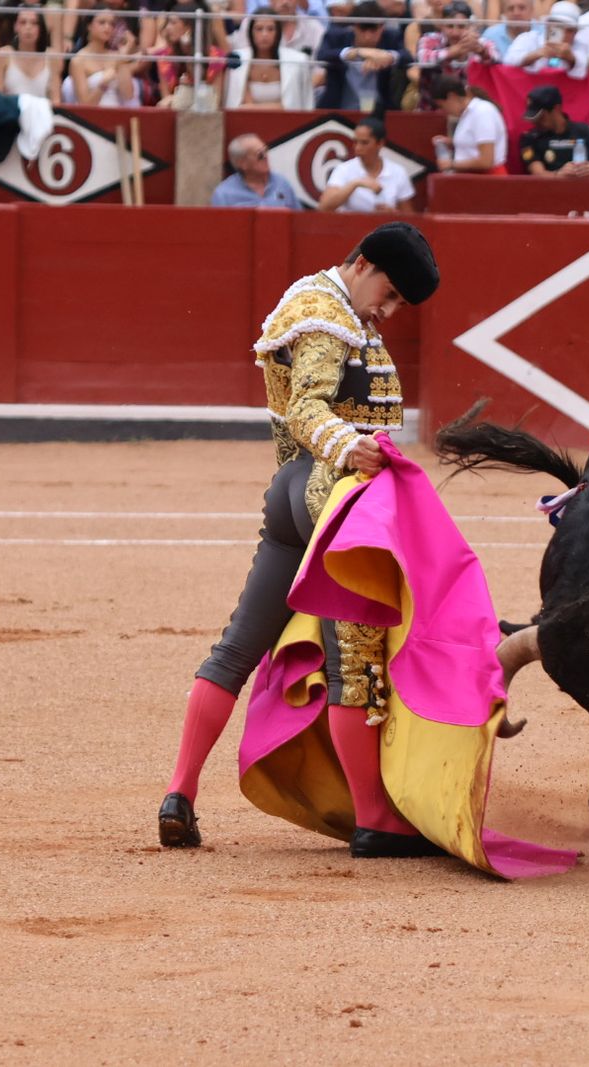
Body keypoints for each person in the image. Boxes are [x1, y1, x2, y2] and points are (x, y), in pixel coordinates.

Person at [157, 222, 441, 857]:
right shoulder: (324, 314)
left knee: (237, 648)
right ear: (362, 263)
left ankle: (179, 793)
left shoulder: (333, 309)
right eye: (388, 293)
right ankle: (374, 820)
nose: (387, 311)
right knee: (355, 659)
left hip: (292, 493)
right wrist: (350, 446)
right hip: (330, 499)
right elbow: (312, 408)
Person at [315, 0, 411, 110]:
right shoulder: (336, 37)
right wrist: (355, 52)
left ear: (382, 27)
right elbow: (322, 54)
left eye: (373, 30)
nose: (368, 36)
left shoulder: (391, 37)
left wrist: (388, 56)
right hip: (340, 108)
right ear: (353, 26)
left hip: (381, 112)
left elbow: (407, 56)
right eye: (362, 29)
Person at [411, 0, 497, 109]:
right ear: (442, 26)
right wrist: (453, 52)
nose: (455, 33)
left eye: (461, 27)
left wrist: (481, 51)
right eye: (450, 26)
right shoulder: (429, 38)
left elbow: (498, 59)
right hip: (433, 108)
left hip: (472, 110)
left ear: (470, 27)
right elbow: (422, 59)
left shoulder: (480, 43)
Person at [319, 116, 416, 211]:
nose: (357, 148)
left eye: (364, 143)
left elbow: (409, 217)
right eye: (355, 142)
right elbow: (324, 207)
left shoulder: (398, 172)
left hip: (385, 226)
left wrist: (392, 215)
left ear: (380, 144)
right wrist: (355, 184)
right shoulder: (343, 169)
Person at [225, 12, 314, 106]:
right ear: (251, 32)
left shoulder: (298, 61)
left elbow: (306, 104)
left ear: (278, 32)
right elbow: (234, 105)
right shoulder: (236, 59)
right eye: (259, 29)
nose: (264, 34)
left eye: (270, 29)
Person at [519, 83, 589, 175]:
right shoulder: (530, 138)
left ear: (556, 109)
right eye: (533, 118)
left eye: (541, 117)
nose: (536, 122)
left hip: (583, 187)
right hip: (550, 188)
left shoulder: (585, 132)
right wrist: (558, 174)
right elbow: (538, 174)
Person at [150, 3, 226, 107]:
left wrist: (189, 52)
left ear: (189, 27)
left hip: (205, 110)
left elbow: (215, 100)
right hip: (174, 110)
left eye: (173, 23)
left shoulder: (215, 57)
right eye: (168, 23)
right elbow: (165, 99)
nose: (167, 28)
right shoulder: (164, 57)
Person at [433, 75, 508, 173]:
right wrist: (452, 142)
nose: (444, 110)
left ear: (452, 96)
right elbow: (474, 143)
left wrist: (451, 164)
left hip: (487, 181)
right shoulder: (468, 112)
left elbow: (486, 161)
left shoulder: (482, 112)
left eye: (442, 105)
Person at [0, 3, 62, 102]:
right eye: (23, 22)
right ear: (15, 26)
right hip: (11, 115)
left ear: (40, 28)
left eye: (34, 23)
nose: (28, 27)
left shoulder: (52, 57)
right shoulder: (2, 55)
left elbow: (56, 101)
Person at [212, 132, 301, 207]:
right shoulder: (224, 194)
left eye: (266, 151)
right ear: (242, 163)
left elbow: (298, 220)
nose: (266, 157)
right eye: (260, 155)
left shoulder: (282, 183)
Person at [504, 0, 589, 74]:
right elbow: (508, 61)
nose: (564, 33)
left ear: (575, 32)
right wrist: (537, 54)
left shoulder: (580, 45)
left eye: (570, 30)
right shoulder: (528, 38)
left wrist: (571, 58)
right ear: (547, 26)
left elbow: (583, 70)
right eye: (557, 26)